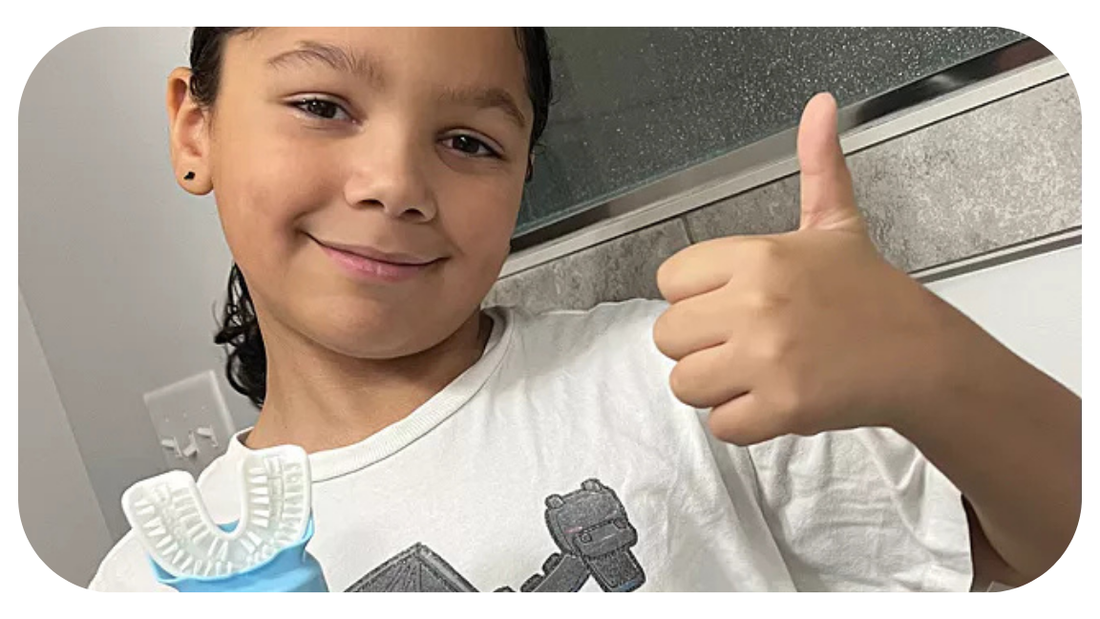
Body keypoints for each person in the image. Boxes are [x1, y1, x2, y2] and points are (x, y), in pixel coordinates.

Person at [89, 27, 1080, 592]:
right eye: (322, 106)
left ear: (522, 178)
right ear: (195, 125)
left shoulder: (680, 380)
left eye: (469, 142)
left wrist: (931, 361)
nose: (393, 182)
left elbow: (1042, 550)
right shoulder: (139, 585)